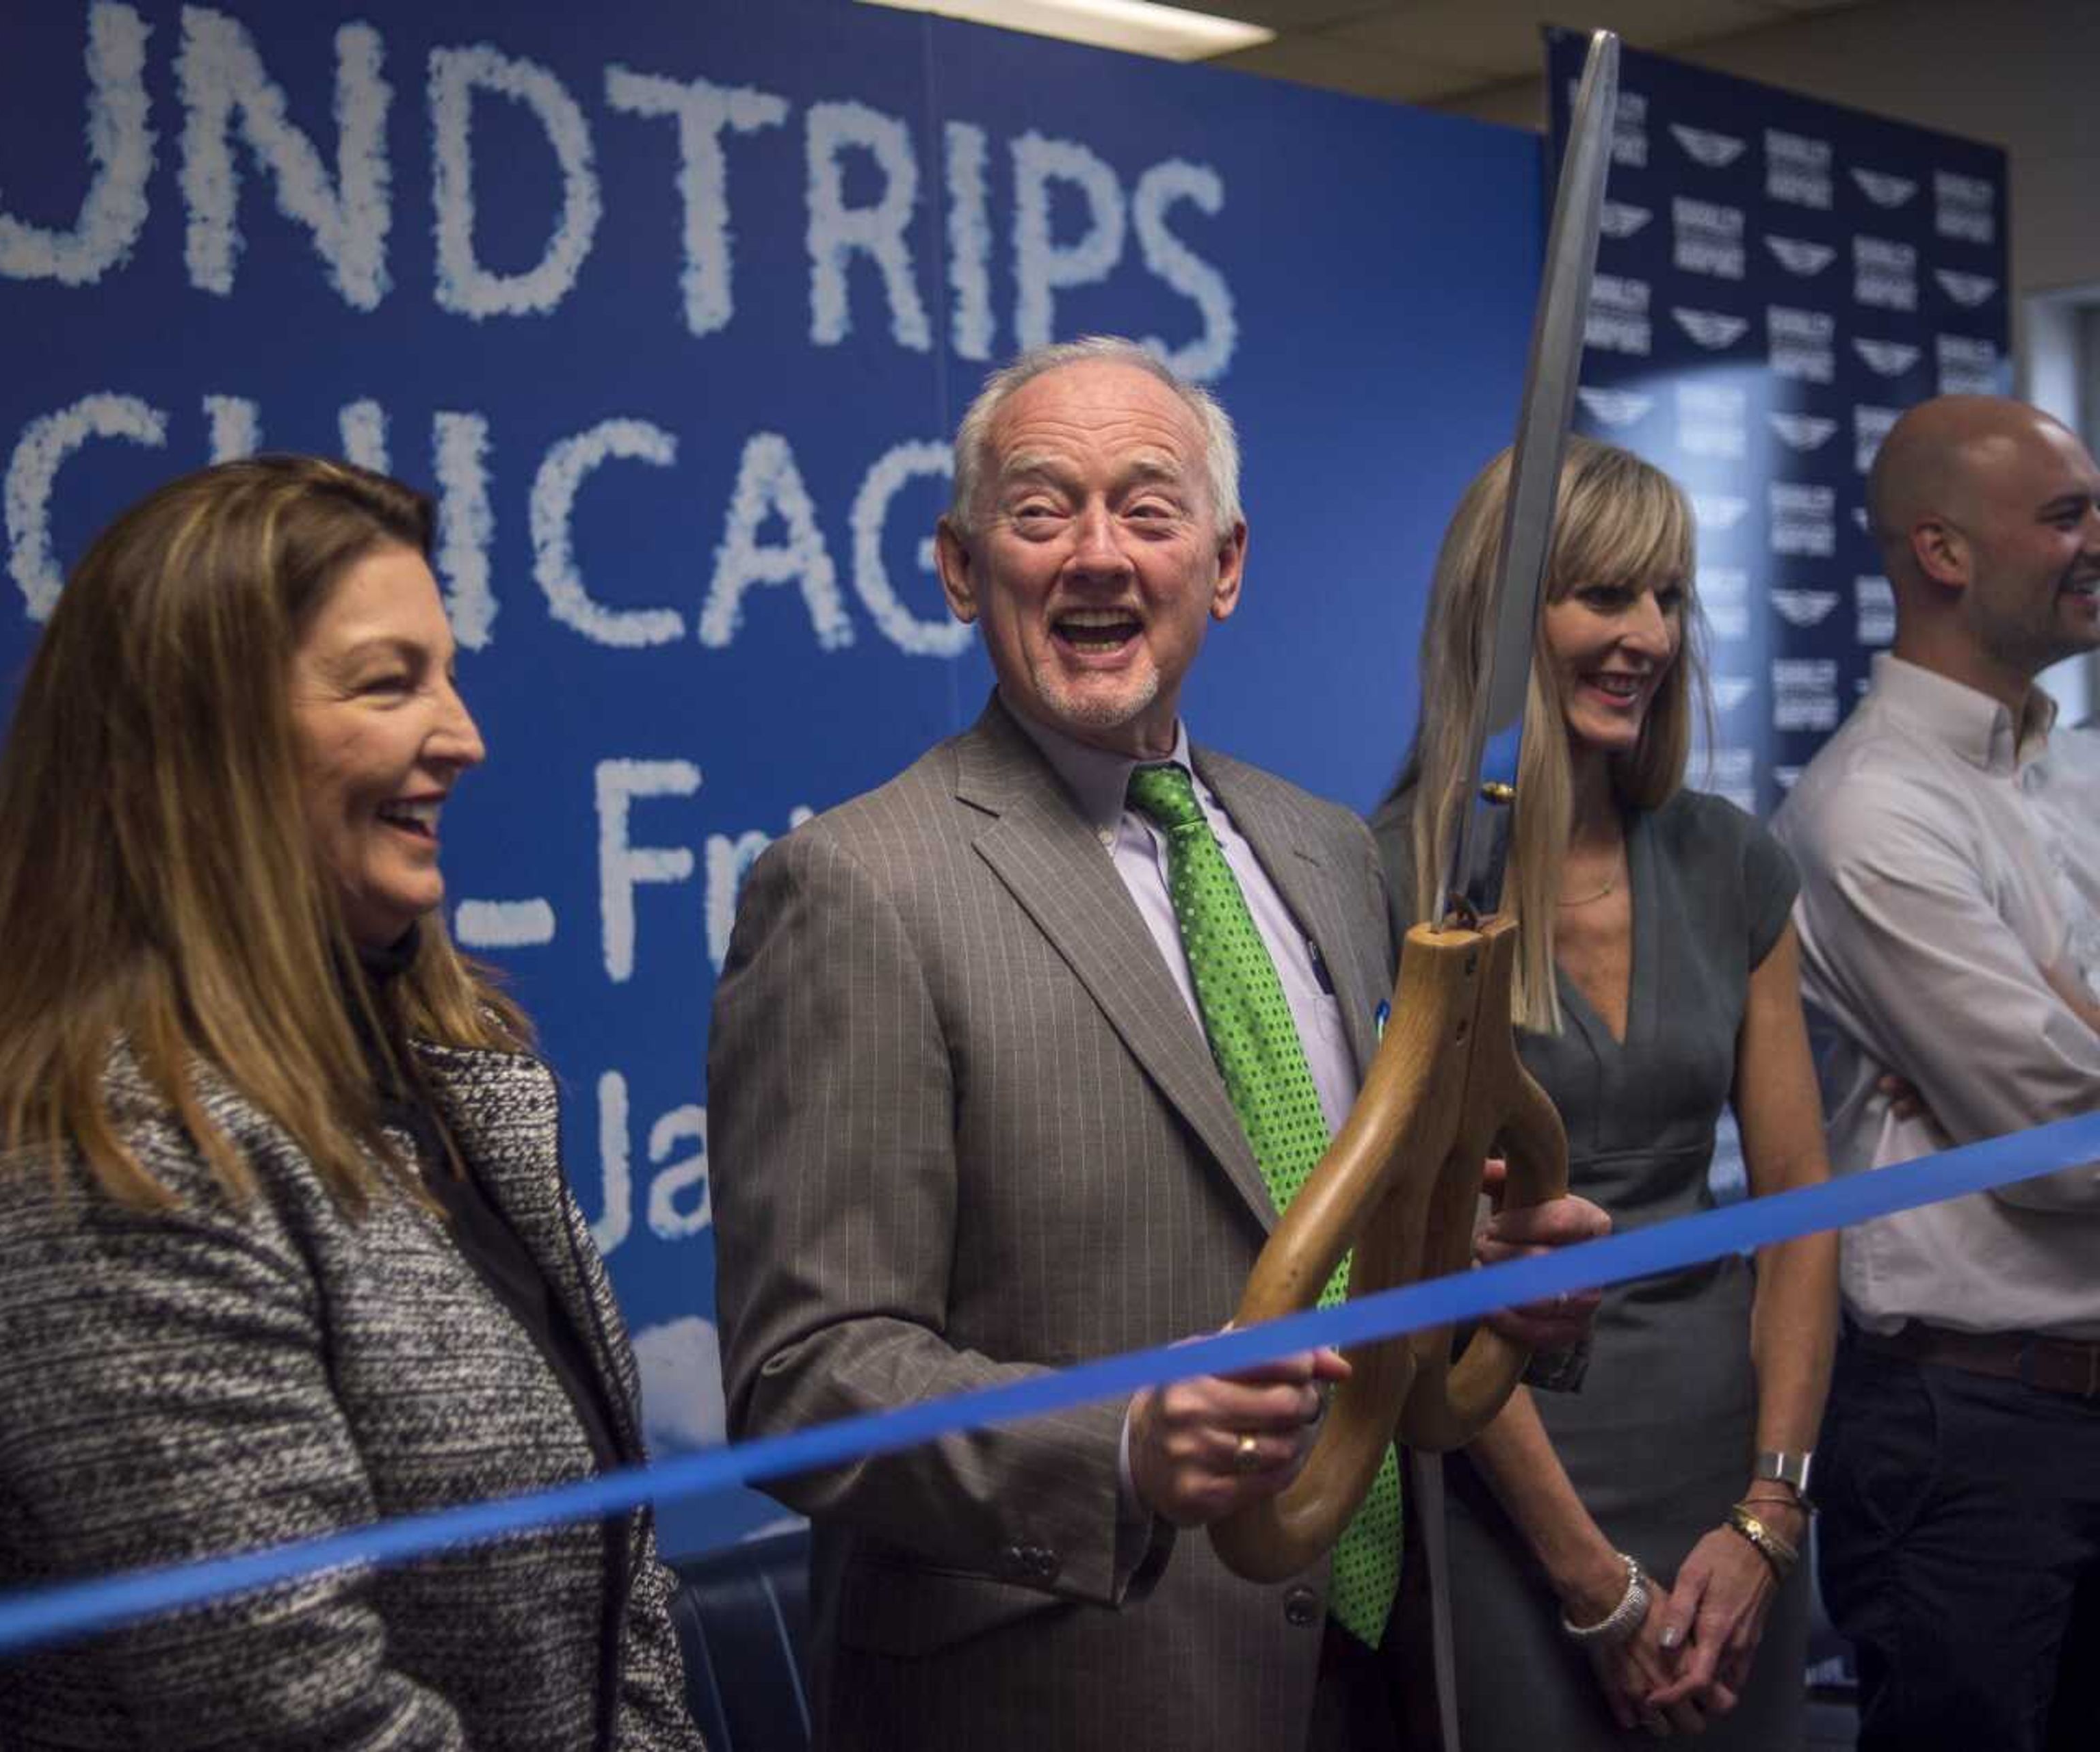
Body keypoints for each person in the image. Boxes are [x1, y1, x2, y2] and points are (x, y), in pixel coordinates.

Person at [706, 337, 1606, 1752]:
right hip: (1079, 1690)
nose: (1097, 555)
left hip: (1383, 1661)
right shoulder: (855, 888)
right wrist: (1117, 1439)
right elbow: (801, 1381)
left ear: (1227, 565)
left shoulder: (1319, 850)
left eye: (1148, 507)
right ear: (958, 567)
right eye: (1040, 508)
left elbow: (1337, 1249)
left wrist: (1485, 1296)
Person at [0, 456, 703, 1751]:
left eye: (445, 673)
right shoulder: (116, 1154)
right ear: (201, 744)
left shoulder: (451, 1076)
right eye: (390, 683)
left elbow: (626, 1616)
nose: (463, 735)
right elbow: (291, 1715)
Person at [1374, 439, 1837, 1744]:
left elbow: (1801, 1204)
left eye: (1669, 597)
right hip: (1507, 1488)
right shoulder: (1388, 882)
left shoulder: (1731, 861)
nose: (1646, 634)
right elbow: (1416, 1264)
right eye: (1606, 595)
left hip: (1727, 1472)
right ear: (1506, 609)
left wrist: (1771, 1509)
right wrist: (1591, 1583)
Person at [1770, 393, 2100, 1752]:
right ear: (1944, 553)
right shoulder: (1869, 808)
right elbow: (2061, 1142)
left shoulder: (2075, 775)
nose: (2099, 542)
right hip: (1968, 1436)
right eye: (2068, 515)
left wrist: (2069, 1021)